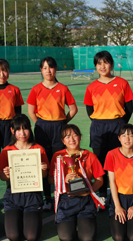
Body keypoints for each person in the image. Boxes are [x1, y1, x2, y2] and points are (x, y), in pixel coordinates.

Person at [83, 51, 133, 205]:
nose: (102, 66)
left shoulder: (122, 83)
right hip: (98, 127)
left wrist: (121, 125)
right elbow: (89, 110)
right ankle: (102, 194)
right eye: (99, 63)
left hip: (117, 126)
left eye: (105, 62)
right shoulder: (91, 87)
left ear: (111, 64)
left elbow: (129, 108)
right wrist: (100, 120)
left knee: (117, 162)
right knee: (100, 164)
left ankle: (118, 193)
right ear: (95, 66)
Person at [27, 57, 78, 211]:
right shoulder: (36, 89)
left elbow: (74, 109)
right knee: (43, 162)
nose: (48, 71)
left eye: (50, 67)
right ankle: (47, 197)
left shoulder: (63, 88)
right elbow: (31, 111)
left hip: (59, 127)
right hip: (42, 127)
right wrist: (41, 123)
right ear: (41, 70)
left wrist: (63, 123)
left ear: (56, 69)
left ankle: (59, 192)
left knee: (59, 162)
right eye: (44, 68)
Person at [48, 124, 104, 241]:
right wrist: (63, 180)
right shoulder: (58, 156)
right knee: (66, 239)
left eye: (75, 135)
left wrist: (89, 191)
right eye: (67, 137)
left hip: (85, 201)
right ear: (63, 141)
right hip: (66, 201)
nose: (72, 139)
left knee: (87, 239)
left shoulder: (90, 156)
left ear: (80, 137)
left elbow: (100, 180)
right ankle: (72, 223)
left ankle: (84, 221)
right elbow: (50, 179)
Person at [0, 114, 49, 241]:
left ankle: (32, 216)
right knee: (13, 236)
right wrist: (6, 174)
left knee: (31, 237)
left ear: (30, 129)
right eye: (18, 130)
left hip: (32, 196)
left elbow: (44, 175)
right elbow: (2, 177)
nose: (22, 133)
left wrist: (43, 170)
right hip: (13, 196)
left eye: (25, 129)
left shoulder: (38, 149)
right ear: (12, 131)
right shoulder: (6, 151)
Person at [104, 124, 133, 241]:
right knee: (119, 238)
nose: (127, 139)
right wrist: (118, 207)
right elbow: (112, 183)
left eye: (131, 136)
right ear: (119, 138)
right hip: (118, 198)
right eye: (124, 136)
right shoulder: (111, 154)